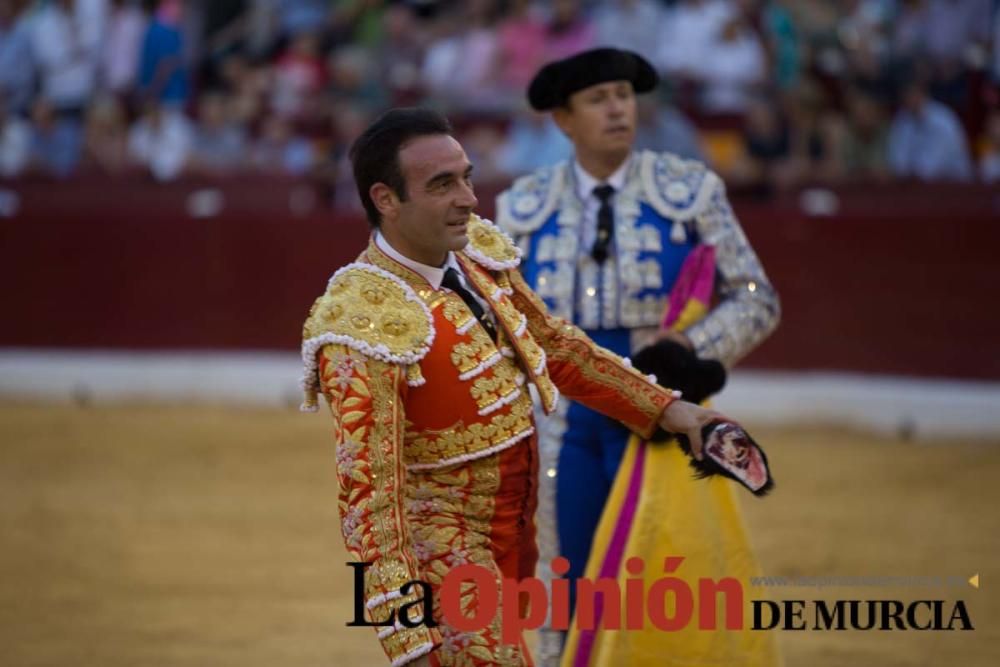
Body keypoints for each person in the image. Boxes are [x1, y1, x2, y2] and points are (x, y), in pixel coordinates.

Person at [299, 107, 725, 667]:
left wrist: (668, 409)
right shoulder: (359, 322)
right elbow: (370, 499)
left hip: (514, 535)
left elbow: (555, 345)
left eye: (467, 177)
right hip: (442, 547)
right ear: (386, 199)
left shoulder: (474, 255)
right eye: (442, 185)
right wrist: (407, 635)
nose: (470, 199)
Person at [496, 48, 780, 665]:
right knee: (564, 571)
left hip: (662, 411)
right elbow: (499, 316)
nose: (618, 108)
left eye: (624, 95)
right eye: (598, 99)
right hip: (562, 419)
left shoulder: (690, 190)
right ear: (563, 120)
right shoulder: (522, 205)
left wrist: (691, 351)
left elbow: (757, 298)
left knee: (662, 572)